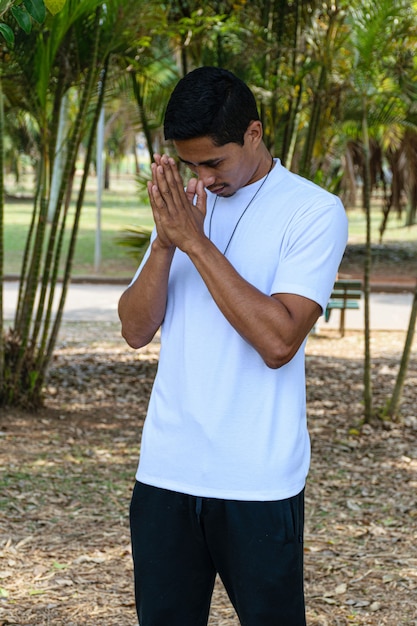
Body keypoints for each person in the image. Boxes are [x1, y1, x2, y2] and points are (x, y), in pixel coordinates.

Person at [118, 66, 348, 626]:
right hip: (166, 473)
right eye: (189, 163)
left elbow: (278, 340)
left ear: (253, 132)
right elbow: (134, 330)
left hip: (258, 479)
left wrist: (194, 242)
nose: (203, 177)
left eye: (213, 161)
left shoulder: (313, 211)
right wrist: (167, 245)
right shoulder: (184, 208)